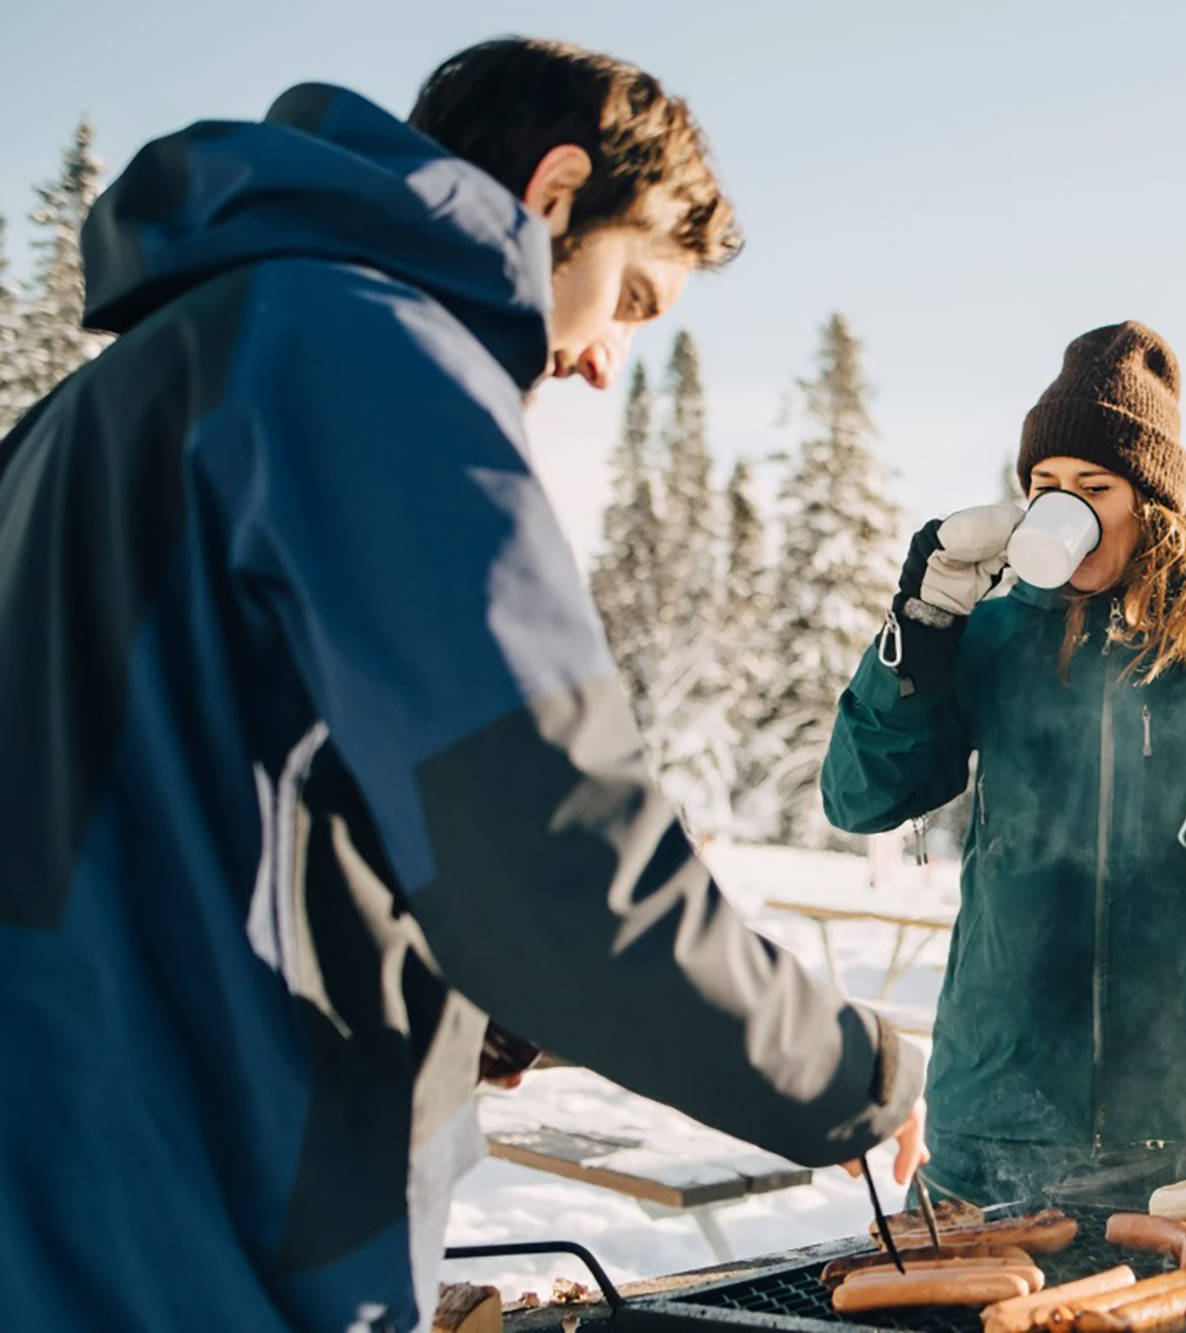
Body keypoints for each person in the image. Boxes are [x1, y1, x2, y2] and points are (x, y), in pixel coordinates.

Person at [0, 39, 922, 1332]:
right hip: (197, 1221)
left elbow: (202, 798)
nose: (607, 361)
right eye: (635, 298)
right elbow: (562, 863)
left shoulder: (102, 405)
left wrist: (452, 980)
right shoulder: (372, 360)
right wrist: (855, 1072)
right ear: (553, 196)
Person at [822, 321, 1186, 1205]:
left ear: (1151, 500)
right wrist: (919, 628)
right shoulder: (991, 631)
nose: (1062, 506)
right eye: (1044, 485)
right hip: (996, 1113)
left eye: (1092, 486)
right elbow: (861, 796)